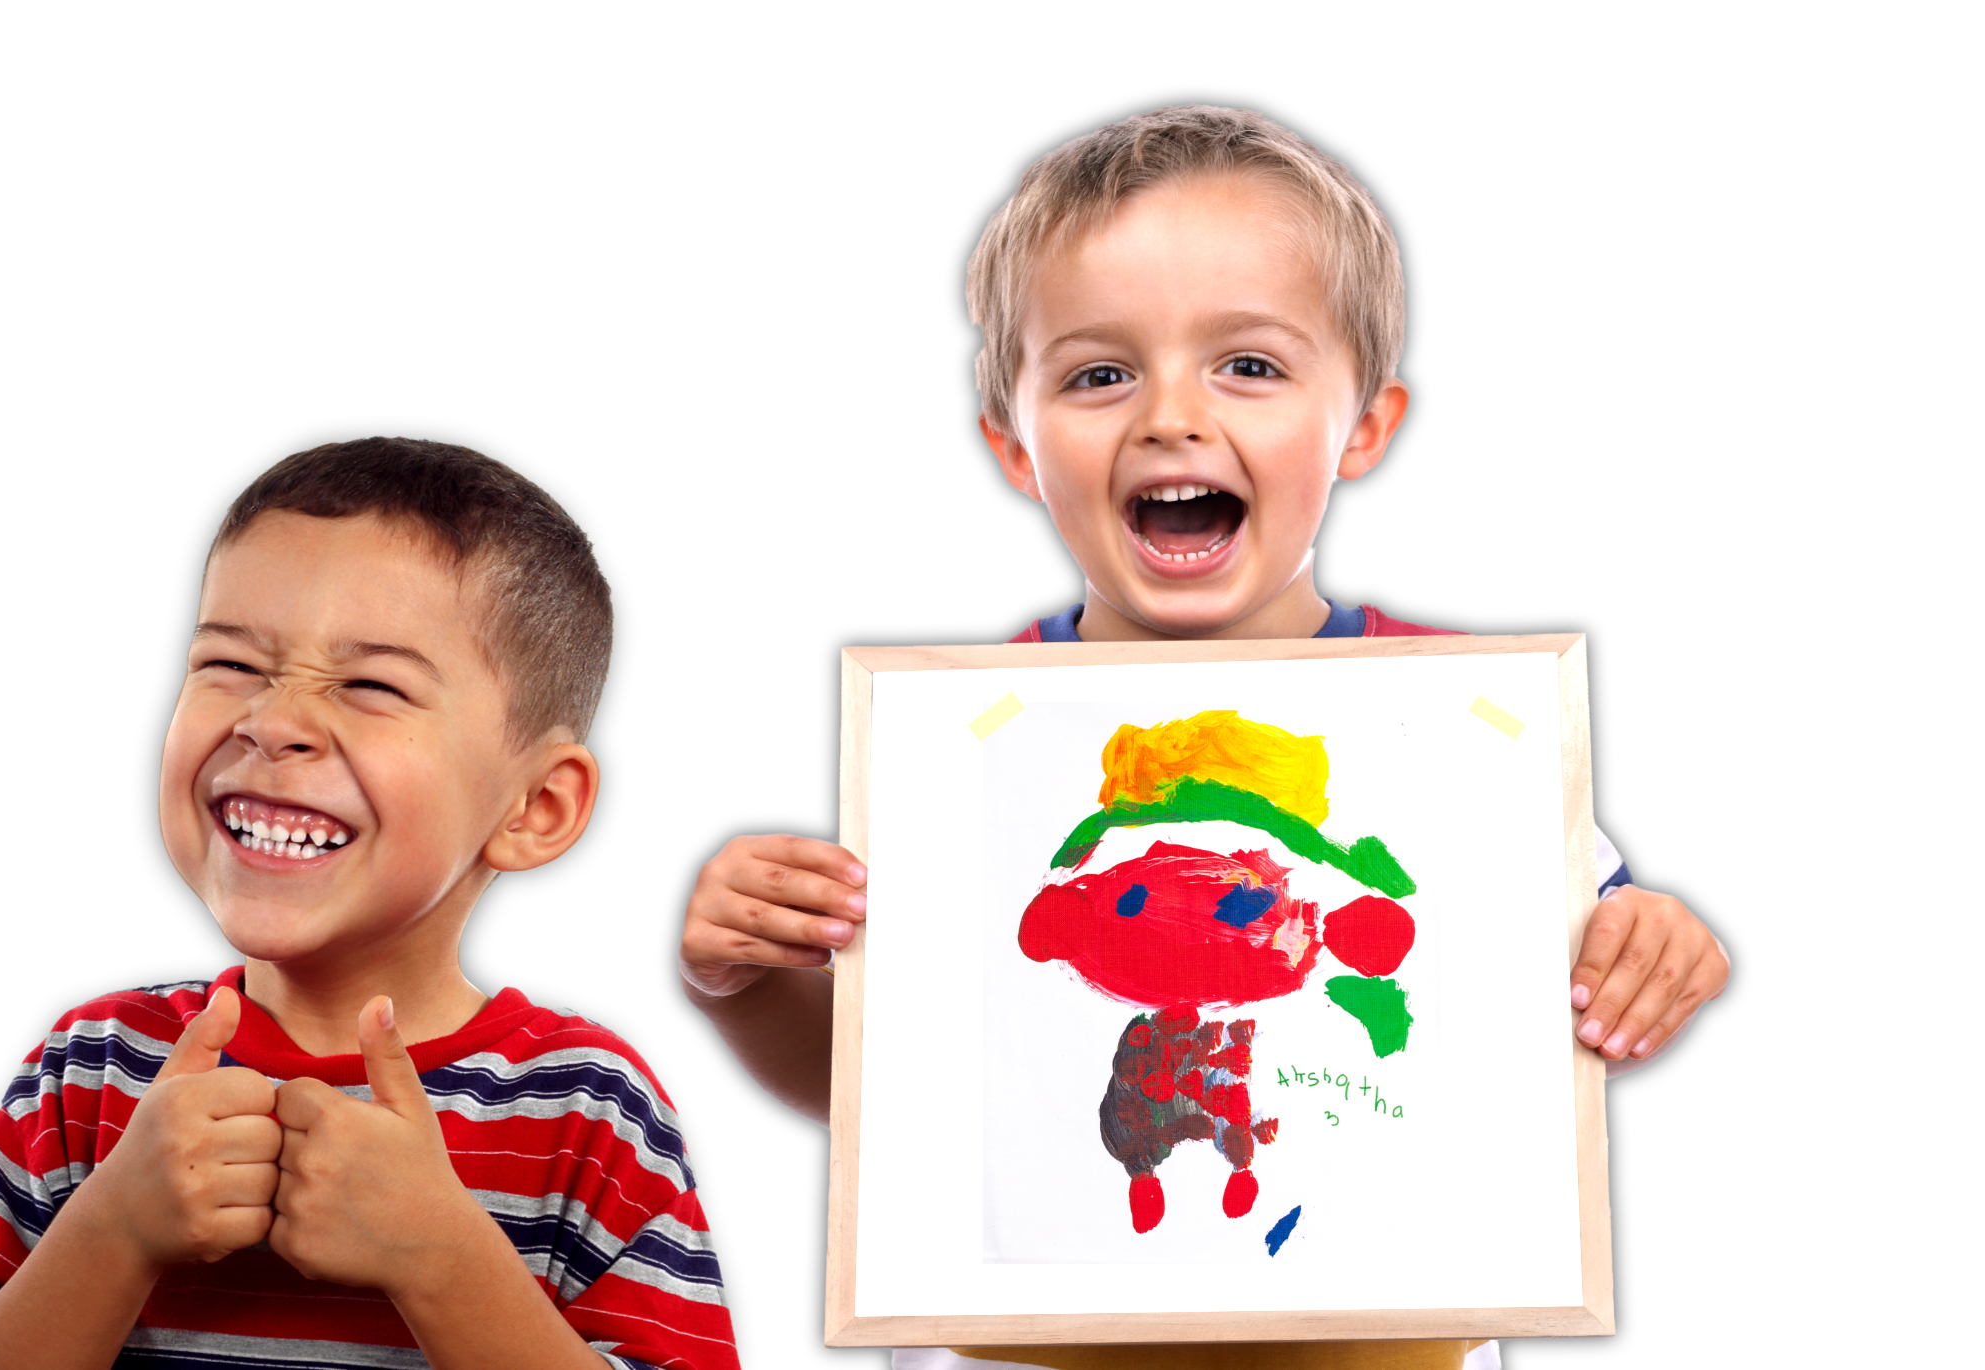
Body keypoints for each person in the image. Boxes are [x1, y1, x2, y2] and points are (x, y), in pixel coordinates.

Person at [676, 106, 1733, 1370]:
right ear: (1013, 447)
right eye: (1098, 375)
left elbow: (1564, 1020)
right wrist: (739, 986)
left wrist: (1657, 959)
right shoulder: (958, 747)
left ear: (1364, 425)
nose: (1170, 416)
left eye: (1247, 365)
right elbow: (900, 1105)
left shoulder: (1460, 725)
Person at [0, 439, 742, 1370]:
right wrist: (110, 1231)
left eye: (370, 685)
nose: (271, 722)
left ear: (535, 808)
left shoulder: (590, 1111)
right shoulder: (90, 1072)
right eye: (231, 663)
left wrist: (444, 1263)